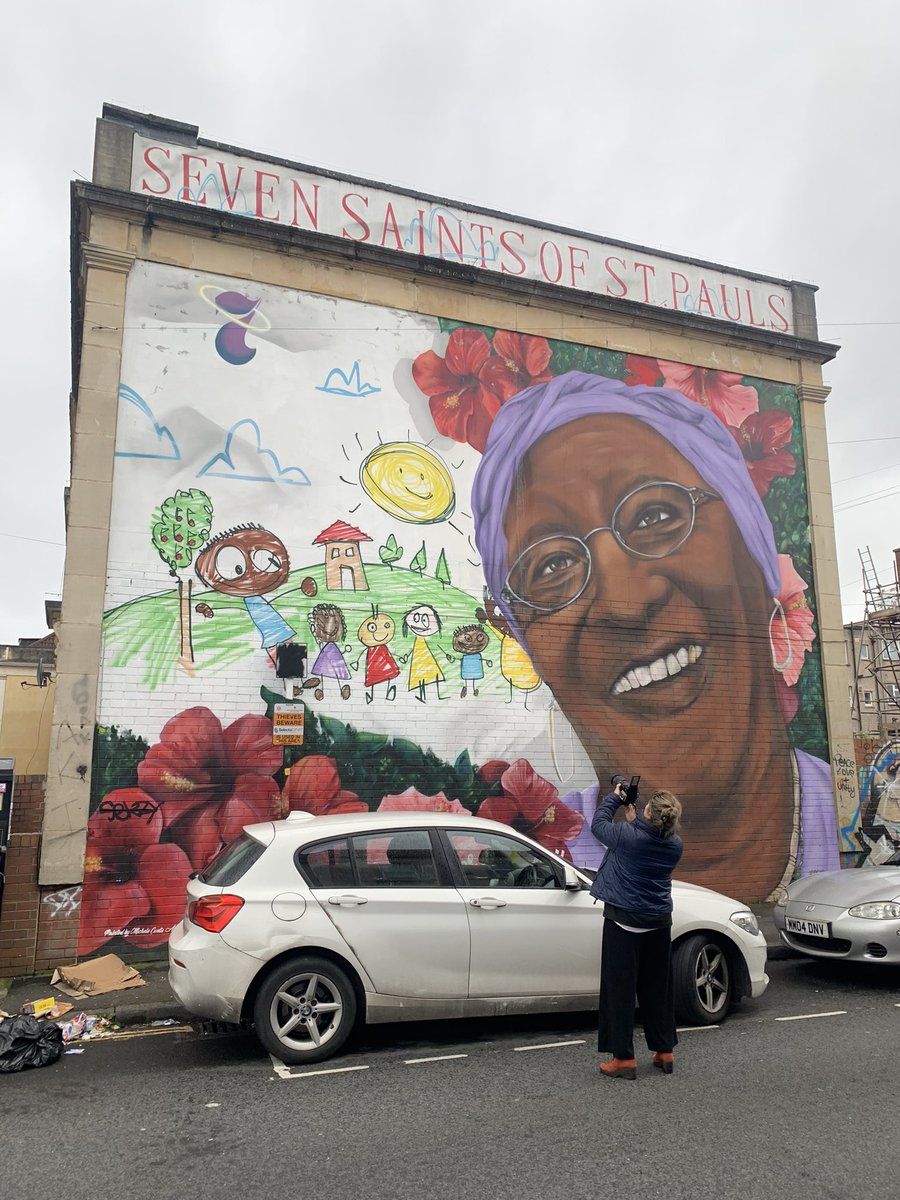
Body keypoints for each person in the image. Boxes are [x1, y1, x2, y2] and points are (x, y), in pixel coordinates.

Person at [471, 370, 839, 901]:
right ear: (527, 642)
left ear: (753, 557)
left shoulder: (859, 817)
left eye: (657, 515)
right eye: (551, 566)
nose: (627, 600)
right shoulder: (542, 851)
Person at [590, 779, 683, 1079]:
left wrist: (615, 798)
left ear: (648, 814)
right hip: (657, 923)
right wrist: (636, 822)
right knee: (658, 989)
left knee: (620, 991)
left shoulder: (627, 836)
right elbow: (647, 841)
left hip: (624, 922)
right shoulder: (675, 845)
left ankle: (624, 1059)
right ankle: (664, 1051)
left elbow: (598, 824)